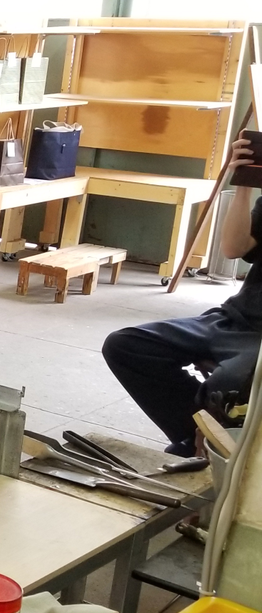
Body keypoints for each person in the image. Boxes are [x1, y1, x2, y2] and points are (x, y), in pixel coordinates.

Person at [103, 135, 262, 456]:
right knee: (125, 345)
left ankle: (211, 443)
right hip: (235, 318)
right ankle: (199, 438)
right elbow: (234, 247)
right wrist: (244, 181)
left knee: (227, 384)